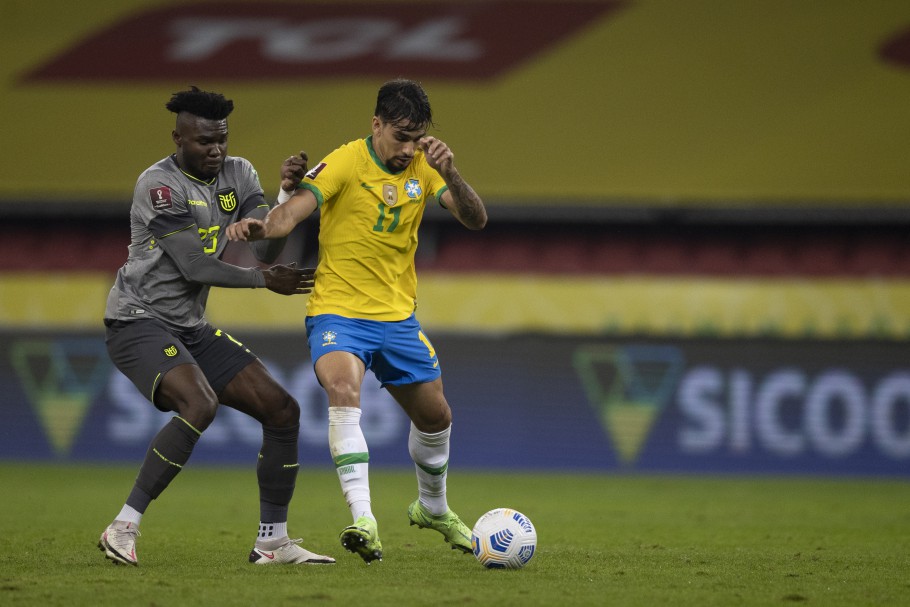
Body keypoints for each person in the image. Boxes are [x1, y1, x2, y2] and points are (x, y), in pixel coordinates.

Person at [227, 78, 488, 564]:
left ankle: (433, 508)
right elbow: (293, 215)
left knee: (436, 418)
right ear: (377, 125)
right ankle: (364, 519)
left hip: (398, 320)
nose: (408, 149)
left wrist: (450, 174)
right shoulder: (346, 160)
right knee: (344, 391)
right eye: (400, 137)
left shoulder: (426, 168)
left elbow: (475, 219)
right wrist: (265, 224)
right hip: (339, 312)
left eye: (417, 139)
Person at [97, 86, 335, 567]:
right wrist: (263, 280)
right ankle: (123, 526)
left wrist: (283, 199)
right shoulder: (158, 186)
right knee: (198, 402)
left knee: (283, 410)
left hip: (188, 325)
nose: (216, 150)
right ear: (179, 138)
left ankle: (272, 542)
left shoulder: (239, 173)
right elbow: (194, 266)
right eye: (204, 141)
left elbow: (265, 246)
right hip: (137, 320)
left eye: (221, 139)